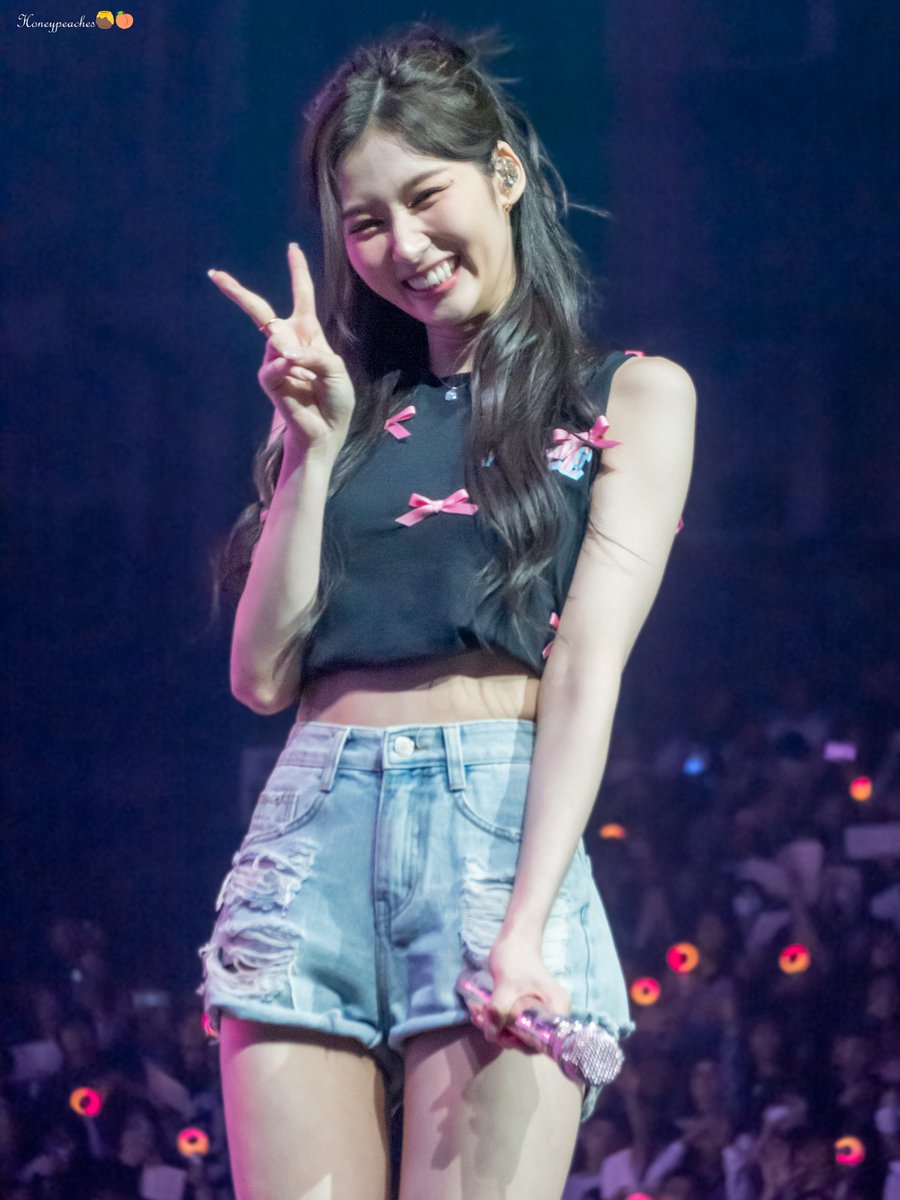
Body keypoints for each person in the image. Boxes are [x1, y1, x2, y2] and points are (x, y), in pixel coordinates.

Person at [199, 21, 696, 1200]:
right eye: (366, 222)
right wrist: (308, 453)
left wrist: (525, 924)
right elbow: (261, 678)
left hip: (496, 833)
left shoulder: (631, 395)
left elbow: (586, 670)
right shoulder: (343, 410)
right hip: (311, 831)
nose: (405, 246)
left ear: (502, 174)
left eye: (426, 198)